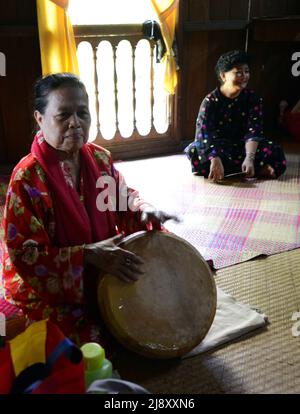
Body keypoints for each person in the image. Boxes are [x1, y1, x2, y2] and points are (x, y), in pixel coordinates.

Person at [2, 73, 176, 348]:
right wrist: (87, 256)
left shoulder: (98, 157)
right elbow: (26, 254)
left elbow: (122, 199)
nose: (75, 123)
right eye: (63, 116)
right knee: (83, 342)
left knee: (166, 288)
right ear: (39, 118)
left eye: (82, 113)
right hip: (55, 280)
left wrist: (143, 210)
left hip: (106, 258)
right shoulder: (26, 178)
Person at [184, 50, 287, 181]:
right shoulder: (210, 101)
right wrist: (214, 159)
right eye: (238, 72)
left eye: (246, 71)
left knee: (274, 150)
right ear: (223, 76)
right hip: (218, 147)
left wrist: (249, 158)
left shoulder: (253, 99)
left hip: (244, 146)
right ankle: (255, 169)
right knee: (195, 151)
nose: (244, 76)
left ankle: (243, 167)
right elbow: (204, 135)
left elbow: (254, 131)